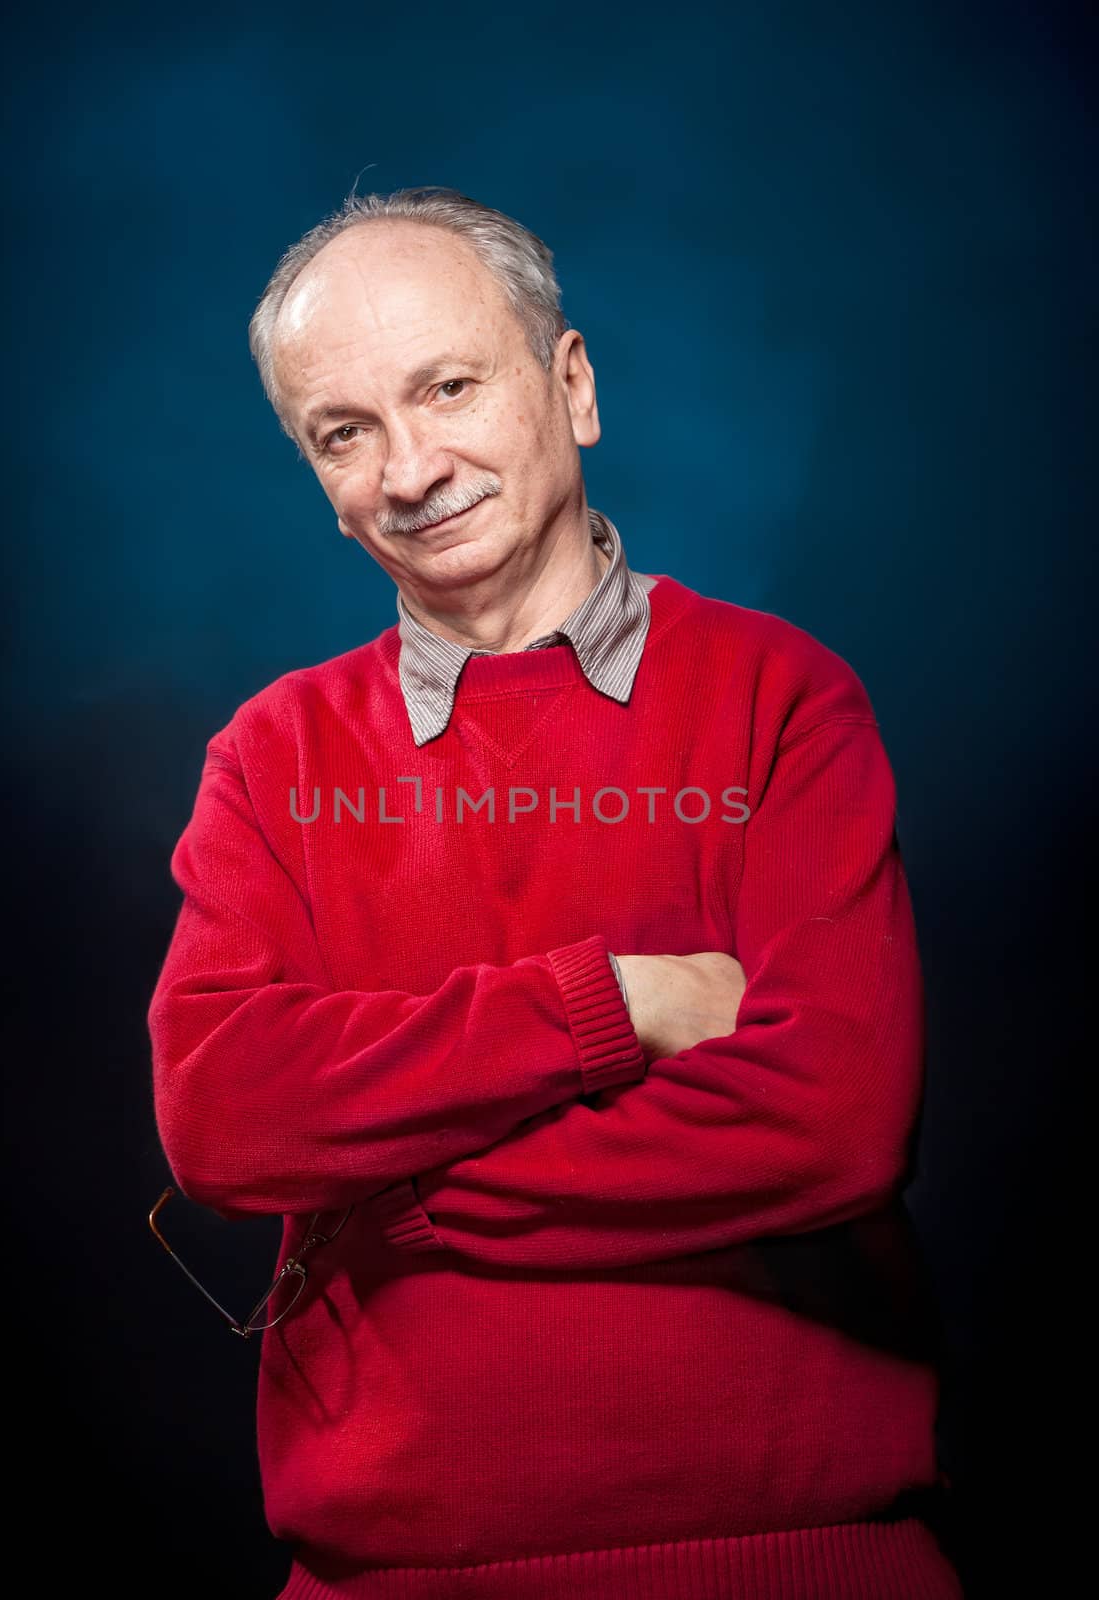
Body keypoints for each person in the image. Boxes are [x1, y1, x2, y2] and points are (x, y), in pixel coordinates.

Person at [147, 185, 963, 1599]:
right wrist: (611, 1007)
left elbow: (833, 1122)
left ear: (571, 386)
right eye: (346, 434)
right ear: (321, 484)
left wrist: (396, 1197)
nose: (410, 467)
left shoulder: (782, 697)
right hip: (388, 1580)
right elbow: (221, 1114)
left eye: (448, 388)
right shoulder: (273, 757)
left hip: (798, 1563)